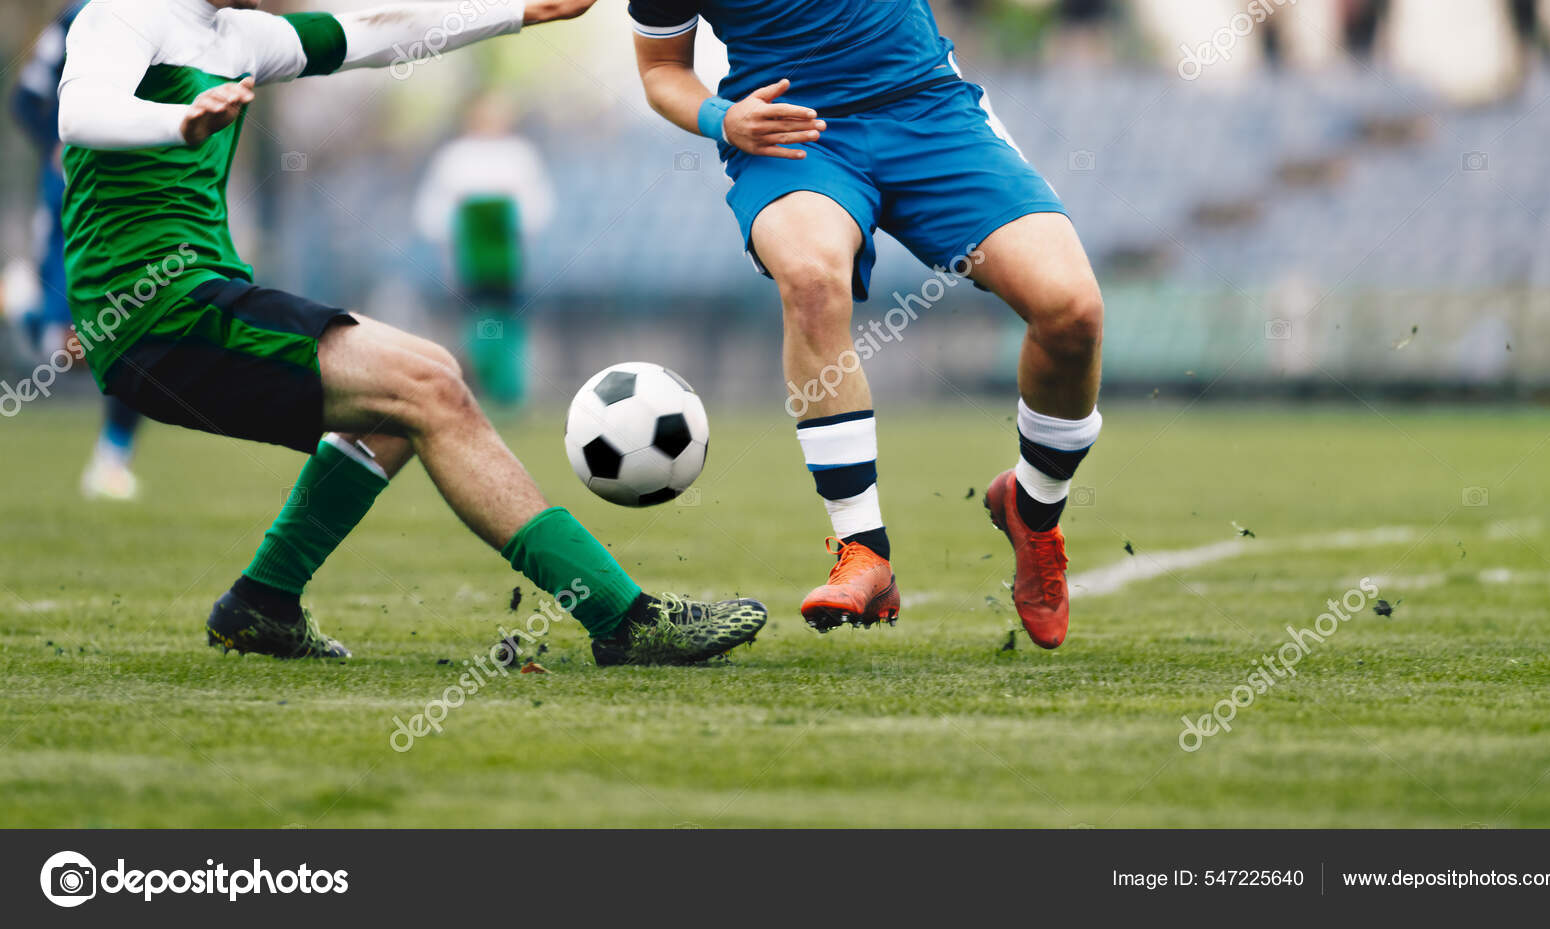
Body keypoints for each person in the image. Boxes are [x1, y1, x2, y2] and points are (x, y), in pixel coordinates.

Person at [57, 0, 766, 665]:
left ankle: (262, 602)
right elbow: (82, 112)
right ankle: (623, 617)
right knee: (426, 384)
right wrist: (177, 122)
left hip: (203, 299)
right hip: (155, 312)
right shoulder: (125, 14)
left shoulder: (238, 37)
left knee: (413, 389)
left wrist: (523, 10)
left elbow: (380, 29)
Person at [630, 0, 1106, 649]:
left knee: (1072, 312)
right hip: (794, 132)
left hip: (930, 111)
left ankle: (1035, 507)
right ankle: (863, 552)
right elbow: (661, 71)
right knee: (810, 280)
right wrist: (722, 116)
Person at [12, 0, 145, 501]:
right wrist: (58, 141)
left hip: (136, 204)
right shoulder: (74, 19)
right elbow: (24, 99)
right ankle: (25, 303)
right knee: (68, 349)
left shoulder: (169, 20)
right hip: (71, 200)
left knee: (138, 335)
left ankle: (112, 459)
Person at [413, 92, 556, 407]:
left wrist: (509, 219)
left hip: (509, 257)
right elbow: (433, 212)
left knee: (508, 318)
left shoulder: (520, 155)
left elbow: (537, 208)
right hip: (469, 258)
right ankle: (479, 384)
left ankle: (509, 391)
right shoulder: (455, 157)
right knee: (477, 320)